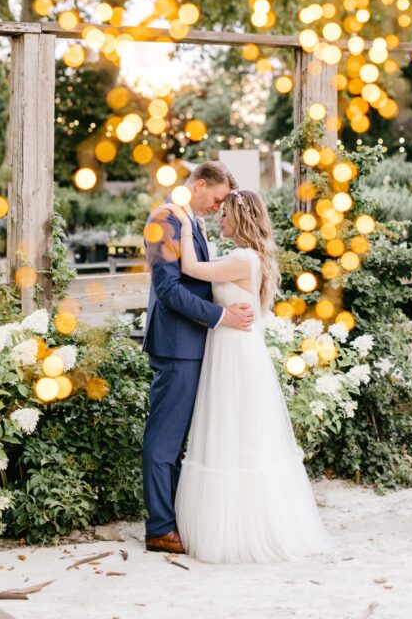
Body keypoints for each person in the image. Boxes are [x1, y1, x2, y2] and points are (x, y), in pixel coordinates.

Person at [173, 189, 332, 563]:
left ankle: (237, 532)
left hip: (234, 351)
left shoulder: (243, 259)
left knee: (233, 429)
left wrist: (184, 225)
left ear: (241, 220)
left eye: (225, 215)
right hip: (232, 346)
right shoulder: (246, 257)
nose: (220, 219)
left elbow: (192, 269)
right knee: (237, 429)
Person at [142, 162, 254, 555]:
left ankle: (173, 518)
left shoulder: (189, 221)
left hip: (193, 343)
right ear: (200, 185)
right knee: (165, 438)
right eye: (218, 199)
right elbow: (169, 290)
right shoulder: (165, 220)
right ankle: (159, 527)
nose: (219, 207)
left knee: (179, 439)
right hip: (176, 344)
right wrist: (222, 316)